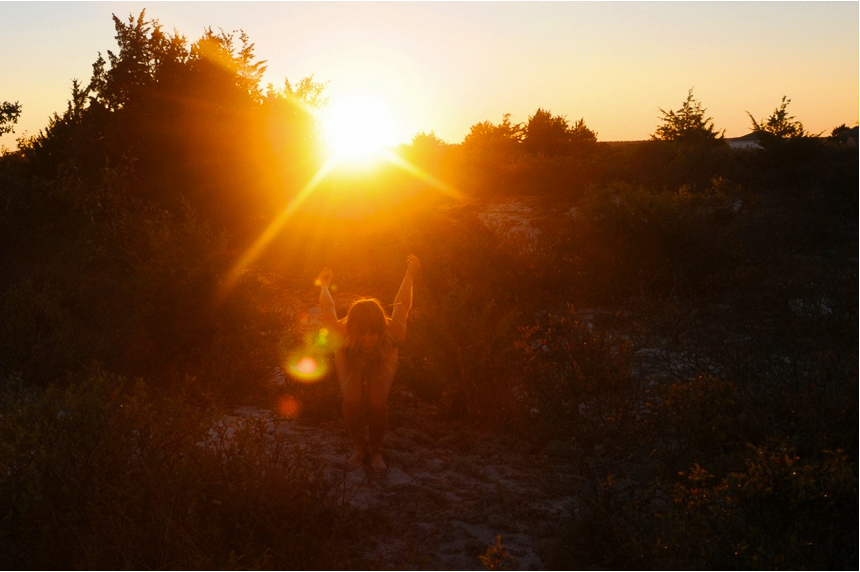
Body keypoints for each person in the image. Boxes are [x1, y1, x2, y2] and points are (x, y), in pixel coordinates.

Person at [317, 254, 420, 471]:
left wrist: (409, 274)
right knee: (352, 401)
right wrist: (324, 285)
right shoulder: (340, 333)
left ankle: (375, 450)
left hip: (383, 354)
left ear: (381, 330)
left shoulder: (394, 332)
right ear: (352, 329)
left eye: (373, 333)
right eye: (362, 333)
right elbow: (328, 308)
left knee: (377, 403)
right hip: (348, 353)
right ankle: (359, 450)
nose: (367, 339)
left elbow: (403, 304)